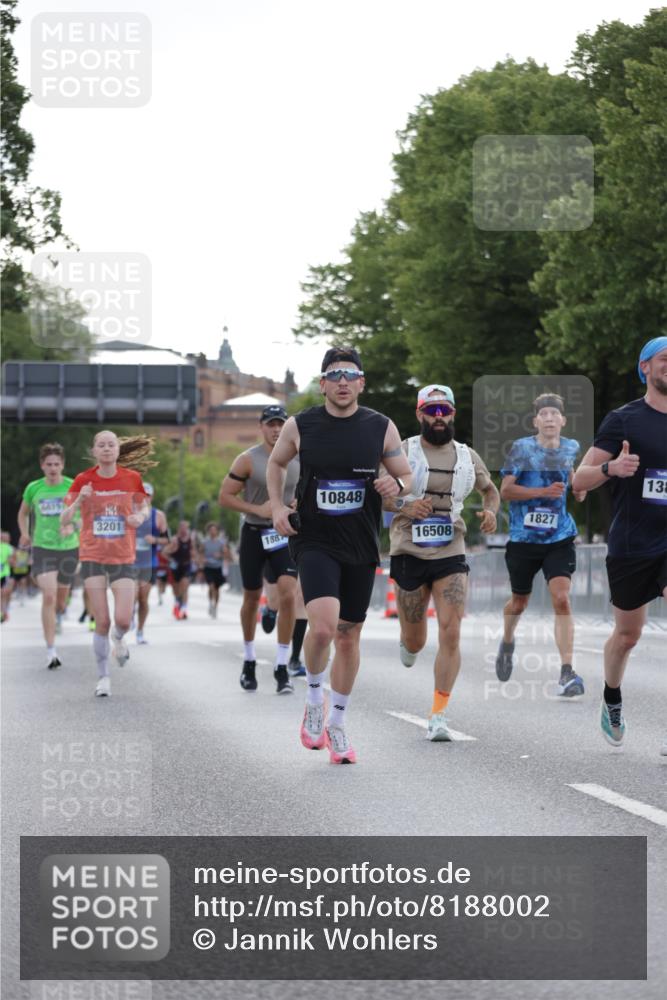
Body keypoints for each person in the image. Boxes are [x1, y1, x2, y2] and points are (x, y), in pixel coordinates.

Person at [267, 346, 412, 763]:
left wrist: (397, 487)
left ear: (362, 383)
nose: (343, 382)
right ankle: (315, 700)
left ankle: (338, 724)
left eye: (351, 375)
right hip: (313, 538)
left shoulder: (381, 427)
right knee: (326, 628)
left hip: (361, 542)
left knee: (349, 636)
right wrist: (278, 507)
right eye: (335, 375)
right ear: (324, 383)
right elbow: (276, 465)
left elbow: (406, 476)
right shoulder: (301, 424)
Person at [383, 384, 500, 740]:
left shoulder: (466, 455)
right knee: (416, 639)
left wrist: (491, 513)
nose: (438, 417)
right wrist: (405, 505)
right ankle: (408, 641)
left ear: (452, 414)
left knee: (451, 630)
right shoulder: (402, 450)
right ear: (420, 415)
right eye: (431, 411)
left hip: (451, 548)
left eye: (444, 411)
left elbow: (490, 491)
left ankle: (438, 715)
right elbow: (381, 496)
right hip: (409, 550)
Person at [572, 337, 667, 754]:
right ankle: (612, 696)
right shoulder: (624, 420)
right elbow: (580, 480)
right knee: (628, 635)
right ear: (645, 367)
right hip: (633, 543)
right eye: (665, 360)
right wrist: (612, 467)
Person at [495, 393, 588, 698]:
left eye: (554, 414)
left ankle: (566, 671)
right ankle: (507, 640)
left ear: (562, 421)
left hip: (559, 536)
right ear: (536, 421)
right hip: (524, 538)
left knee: (561, 598)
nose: (549, 418)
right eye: (544, 414)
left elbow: (573, 480)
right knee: (519, 602)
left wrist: (579, 488)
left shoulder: (572, 447)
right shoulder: (521, 449)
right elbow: (506, 491)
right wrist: (544, 490)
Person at [61, 431, 152, 697]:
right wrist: (80, 499)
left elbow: (144, 507)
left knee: (122, 620)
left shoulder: (131, 478)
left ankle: (119, 638)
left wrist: (139, 517)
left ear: (117, 450)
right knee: (101, 620)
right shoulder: (83, 479)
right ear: (94, 451)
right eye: (101, 445)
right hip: (92, 557)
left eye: (111, 444)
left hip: (123, 556)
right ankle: (103, 678)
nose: (106, 449)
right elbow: (64, 520)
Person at [219, 404, 300, 694]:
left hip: (284, 534)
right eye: (271, 424)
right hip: (254, 532)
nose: (276, 429)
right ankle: (249, 659)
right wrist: (258, 509)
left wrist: (297, 504)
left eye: (281, 423)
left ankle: (281, 666)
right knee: (252, 596)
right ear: (261, 427)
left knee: (290, 594)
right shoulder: (248, 460)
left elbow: (310, 488)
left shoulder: (299, 457)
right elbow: (225, 496)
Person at [17, 443, 80, 668]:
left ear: (63, 465)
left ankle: (60, 614)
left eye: (57, 464)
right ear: (42, 465)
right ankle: (51, 650)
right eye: (49, 464)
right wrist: (25, 533)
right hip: (43, 548)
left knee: (61, 601)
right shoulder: (34, 488)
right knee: (49, 596)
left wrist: (73, 526)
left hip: (69, 548)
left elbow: (84, 517)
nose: (53, 468)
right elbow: (23, 513)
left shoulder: (73, 486)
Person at [133, 482, 169, 643]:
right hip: (131, 562)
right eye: (141, 496)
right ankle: (129, 618)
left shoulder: (158, 516)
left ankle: (140, 630)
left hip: (149, 562)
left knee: (143, 598)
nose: (144, 499)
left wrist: (154, 539)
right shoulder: (130, 514)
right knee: (132, 596)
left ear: (152, 497)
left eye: (147, 496)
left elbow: (167, 539)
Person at [163, 520, 194, 620]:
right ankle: (177, 602)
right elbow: (164, 552)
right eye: (182, 528)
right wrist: (171, 556)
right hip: (175, 567)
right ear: (179, 529)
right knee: (176, 590)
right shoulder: (174, 540)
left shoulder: (191, 540)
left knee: (184, 587)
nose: (184, 530)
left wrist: (197, 560)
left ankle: (183, 609)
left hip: (186, 566)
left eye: (186, 528)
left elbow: (194, 552)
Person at [199, 522, 231, 618]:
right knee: (211, 586)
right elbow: (200, 553)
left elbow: (227, 555)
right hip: (208, 567)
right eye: (211, 530)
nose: (213, 532)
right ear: (208, 531)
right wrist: (202, 561)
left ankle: (215, 607)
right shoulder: (205, 542)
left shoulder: (221, 542)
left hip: (218, 567)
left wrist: (220, 555)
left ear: (217, 531)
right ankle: (210, 603)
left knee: (217, 589)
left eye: (214, 530)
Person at [0, 531, 15, 623]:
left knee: (4, 593)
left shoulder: (10, 548)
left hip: (5, 573)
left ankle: (4, 611)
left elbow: (13, 562)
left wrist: (9, 560)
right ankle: (3, 612)